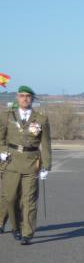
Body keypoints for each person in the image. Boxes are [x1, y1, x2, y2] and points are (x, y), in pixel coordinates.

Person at [0, 86, 52, 245]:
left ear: (32, 99)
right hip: (11, 162)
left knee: (29, 200)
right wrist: (2, 151)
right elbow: (1, 138)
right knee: (10, 198)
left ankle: (27, 233)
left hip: (31, 163)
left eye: (28, 96)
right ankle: (15, 227)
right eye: (22, 96)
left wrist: (46, 166)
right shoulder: (7, 116)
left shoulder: (41, 119)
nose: (25, 99)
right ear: (17, 97)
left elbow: (46, 144)